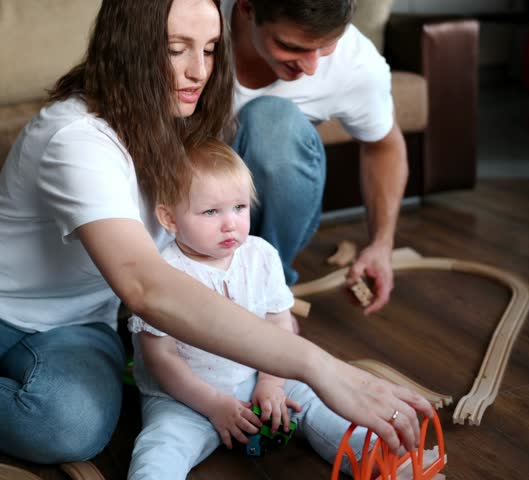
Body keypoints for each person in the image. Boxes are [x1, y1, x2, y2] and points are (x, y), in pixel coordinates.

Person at [0, 1, 431, 479]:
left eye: (209, 50)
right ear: (131, 49)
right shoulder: (75, 135)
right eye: (175, 49)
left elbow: (176, 262)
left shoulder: (186, 125)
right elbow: (143, 283)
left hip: (81, 319)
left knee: (71, 427)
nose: (197, 71)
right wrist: (319, 367)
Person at [128, 139, 389, 479]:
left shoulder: (261, 255)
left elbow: (279, 323)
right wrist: (214, 405)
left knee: (315, 402)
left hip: (256, 377)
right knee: (162, 447)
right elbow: (161, 358)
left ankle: (375, 458)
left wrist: (271, 382)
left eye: (239, 207)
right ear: (169, 218)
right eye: (210, 212)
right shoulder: (161, 273)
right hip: (185, 398)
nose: (230, 224)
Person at [225, 0, 407, 314]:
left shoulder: (356, 63)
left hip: (258, 212)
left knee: (273, 122)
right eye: (290, 46)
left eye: (325, 47)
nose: (310, 68)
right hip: (178, 200)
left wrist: (381, 244)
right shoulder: (191, 21)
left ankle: (266, 290)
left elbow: (384, 147)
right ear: (246, 7)